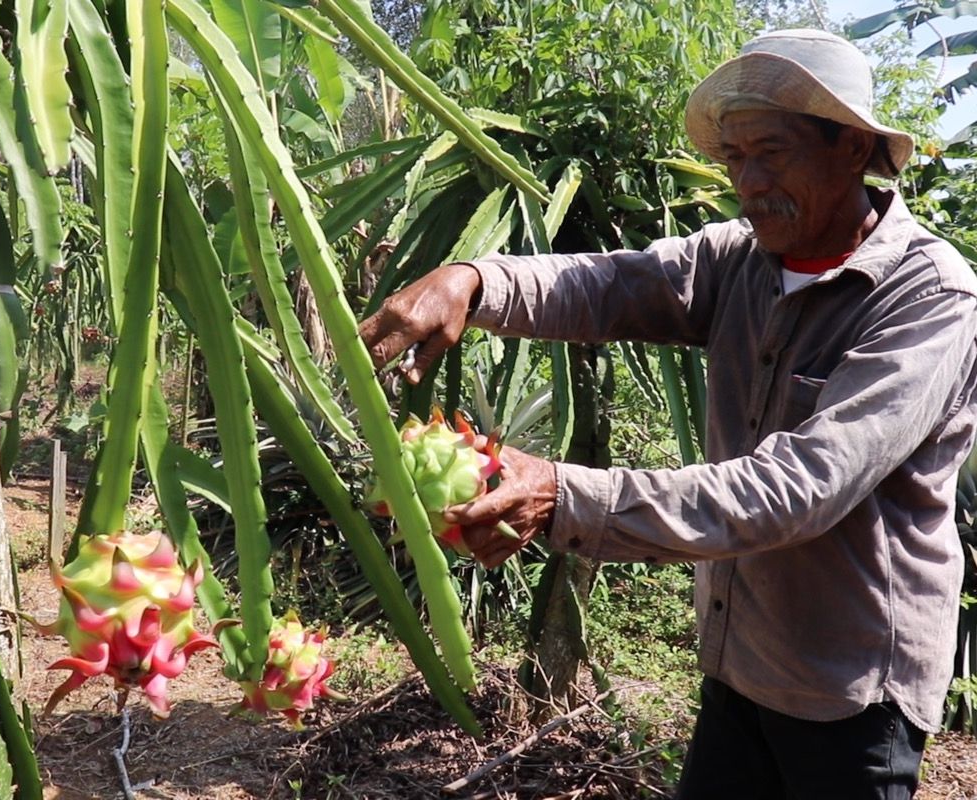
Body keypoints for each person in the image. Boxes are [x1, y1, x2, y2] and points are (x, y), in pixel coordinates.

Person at [359, 28, 977, 799]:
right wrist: (474, 281)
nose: (747, 182)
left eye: (772, 153)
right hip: (741, 660)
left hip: (851, 691)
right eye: (734, 158)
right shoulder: (740, 260)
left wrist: (561, 492)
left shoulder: (926, 299)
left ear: (852, 147)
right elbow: (610, 284)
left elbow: (801, 488)